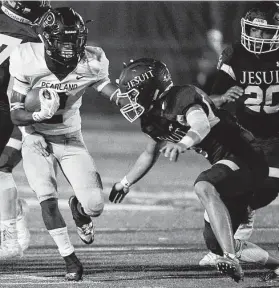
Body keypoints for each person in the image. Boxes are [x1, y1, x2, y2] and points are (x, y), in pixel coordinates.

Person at [107, 57, 279, 282]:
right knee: (215, 242)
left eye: (132, 93)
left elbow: (201, 124)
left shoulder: (182, 96)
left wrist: (182, 144)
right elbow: (150, 152)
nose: (128, 99)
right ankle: (270, 264)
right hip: (227, 166)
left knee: (204, 186)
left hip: (245, 154)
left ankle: (230, 258)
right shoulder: (151, 119)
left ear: (150, 90)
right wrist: (125, 183)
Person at [8, 7, 121, 281]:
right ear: (46, 38)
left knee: (95, 206)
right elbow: (15, 111)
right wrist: (32, 127)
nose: (69, 46)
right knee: (47, 199)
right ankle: (70, 258)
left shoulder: (93, 60)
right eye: (62, 40)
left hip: (70, 137)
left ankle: (80, 212)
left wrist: (121, 97)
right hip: (37, 138)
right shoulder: (26, 58)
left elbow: (104, 84)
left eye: (74, 38)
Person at [202, 2, 279, 266]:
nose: (258, 38)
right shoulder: (235, 54)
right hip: (244, 138)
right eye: (254, 31)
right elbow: (209, 99)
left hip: (277, 138)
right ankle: (228, 241)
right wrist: (223, 96)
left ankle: (242, 223)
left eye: (265, 32)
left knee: (266, 189)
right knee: (234, 197)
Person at [0, 0, 51, 259]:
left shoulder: (40, 33)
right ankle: (14, 208)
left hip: (17, 111)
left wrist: (31, 125)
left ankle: (7, 237)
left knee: (2, 165)